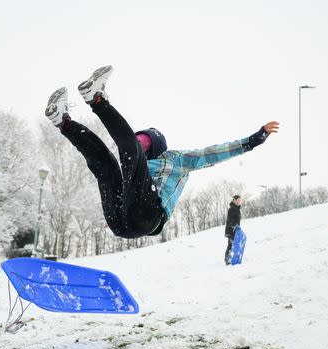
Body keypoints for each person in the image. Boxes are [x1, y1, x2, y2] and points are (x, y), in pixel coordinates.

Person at [44, 65, 279, 239]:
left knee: (130, 158)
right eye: (140, 143)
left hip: (148, 217)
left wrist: (252, 140)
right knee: (106, 166)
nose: (142, 148)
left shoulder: (177, 160)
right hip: (119, 222)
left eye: (145, 144)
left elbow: (212, 153)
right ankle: (64, 123)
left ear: (156, 146)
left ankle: (96, 100)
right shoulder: (137, 169)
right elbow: (126, 160)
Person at [224, 195, 242, 265]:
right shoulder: (232, 209)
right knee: (231, 245)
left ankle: (232, 258)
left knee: (234, 244)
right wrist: (235, 226)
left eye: (239, 200)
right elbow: (230, 220)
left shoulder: (237, 209)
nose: (238, 202)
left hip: (235, 230)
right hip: (231, 230)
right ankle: (227, 259)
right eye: (237, 200)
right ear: (234, 200)